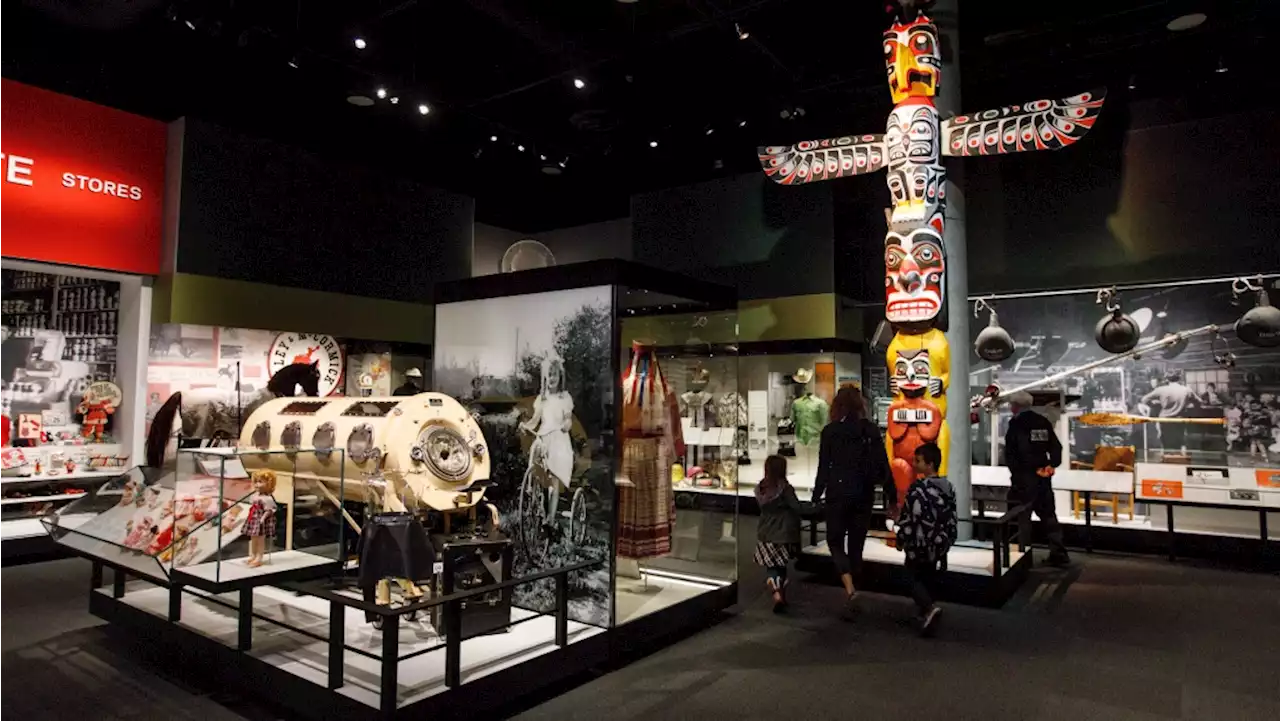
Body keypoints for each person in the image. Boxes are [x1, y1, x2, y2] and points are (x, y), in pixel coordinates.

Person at [812, 385, 890, 618]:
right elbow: (882, 465)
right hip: (864, 493)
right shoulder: (870, 430)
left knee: (835, 541)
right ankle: (856, 587)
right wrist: (892, 495)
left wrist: (816, 496)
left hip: (837, 493)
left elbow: (824, 468)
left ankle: (849, 588)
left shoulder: (830, 432)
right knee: (857, 545)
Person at [893, 442, 957, 636]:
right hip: (938, 542)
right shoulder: (948, 488)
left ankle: (928, 608)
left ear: (929, 464)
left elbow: (910, 517)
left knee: (910, 576)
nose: (914, 464)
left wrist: (901, 537)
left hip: (918, 542)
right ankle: (925, 613)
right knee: (928, 574)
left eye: (918, 461)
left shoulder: (918, 489)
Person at [1004, 391, 1069, 567]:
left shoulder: (1016, 424)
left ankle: (1020, 557)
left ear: (1015, 406)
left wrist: (1021, 472)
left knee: (1019, 518)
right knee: (1049, 516)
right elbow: (1056, 447)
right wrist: (1050, 465)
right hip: (1043, 479)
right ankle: (1059, 553)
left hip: (1024, 481)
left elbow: (1013, 454)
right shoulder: (1043, 422)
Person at [520, 356, 574, 530]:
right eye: (549, 375)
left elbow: (568, 419)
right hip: (544, 438)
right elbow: (535, 420)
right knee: (536, 448)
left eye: (555, 375)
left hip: (558, 439)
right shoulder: (542, 399)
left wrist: (567, 425)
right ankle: (531, 488)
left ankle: (550, 519)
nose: (552, 379)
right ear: (545, 377)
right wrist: (525, 425)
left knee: (553, 481)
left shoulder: (564, 398)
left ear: (560, 377)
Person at [754, 455, 812, 613]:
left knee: (771, 566)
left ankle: (775, 591)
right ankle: (780, 593)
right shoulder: (785, 488)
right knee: (781, 566)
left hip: (765, 533)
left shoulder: (760, 488)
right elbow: (797, 508)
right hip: (784, 533)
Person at [1140, 371, 1203, 455]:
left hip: (1165, 421)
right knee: (1181, 442)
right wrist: (1187, 405)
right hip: (1180, 420)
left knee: (1166, 444)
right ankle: (1181, 462)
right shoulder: (1187, 390)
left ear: (1167, 379)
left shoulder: (1161, 390)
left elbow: (1144, 399)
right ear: (1179, 378)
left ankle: (1167, 461)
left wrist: (1156, 403)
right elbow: (1199, 402)